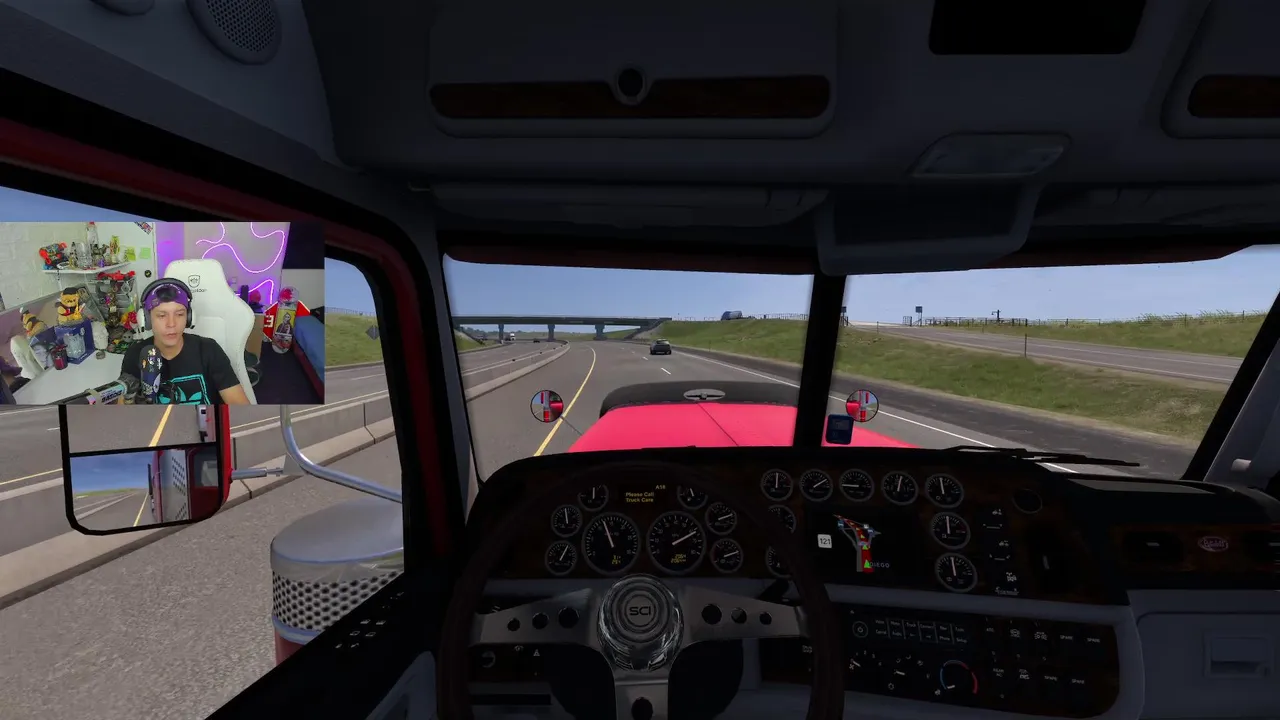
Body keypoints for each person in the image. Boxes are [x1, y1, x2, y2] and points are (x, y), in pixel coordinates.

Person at [121, 278, 250, 405]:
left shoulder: (209, 350)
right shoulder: (136, 354)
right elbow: (123, 408)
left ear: (189, 318)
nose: (171, 324)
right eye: (162, 315)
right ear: (146, 320)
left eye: (180, 314)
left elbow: (240, 406)